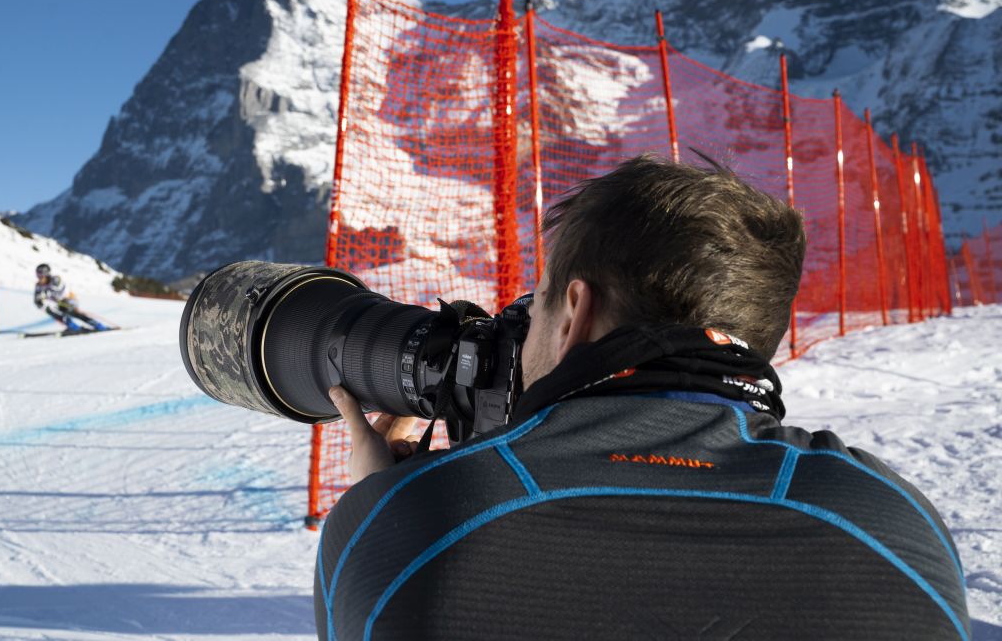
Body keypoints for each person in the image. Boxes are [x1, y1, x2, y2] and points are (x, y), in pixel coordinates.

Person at [315, 155, 969, 640]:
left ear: (574, 310)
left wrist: (385, 505)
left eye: (533, 309)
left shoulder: (399, 531)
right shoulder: (895, 528)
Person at [33, 263, 106, 331]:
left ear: (47, 274)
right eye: (37, 275)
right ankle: (73, 327)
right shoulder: (38, 285)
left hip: (69, 300)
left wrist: (44, 295)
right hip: (59, 303)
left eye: (41, 275)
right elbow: (37, 299)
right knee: (54, 312)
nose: (39, 278)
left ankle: (98, 326)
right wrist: (40, 303)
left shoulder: (55, 279)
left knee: (74, 313)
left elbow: (57, 290)